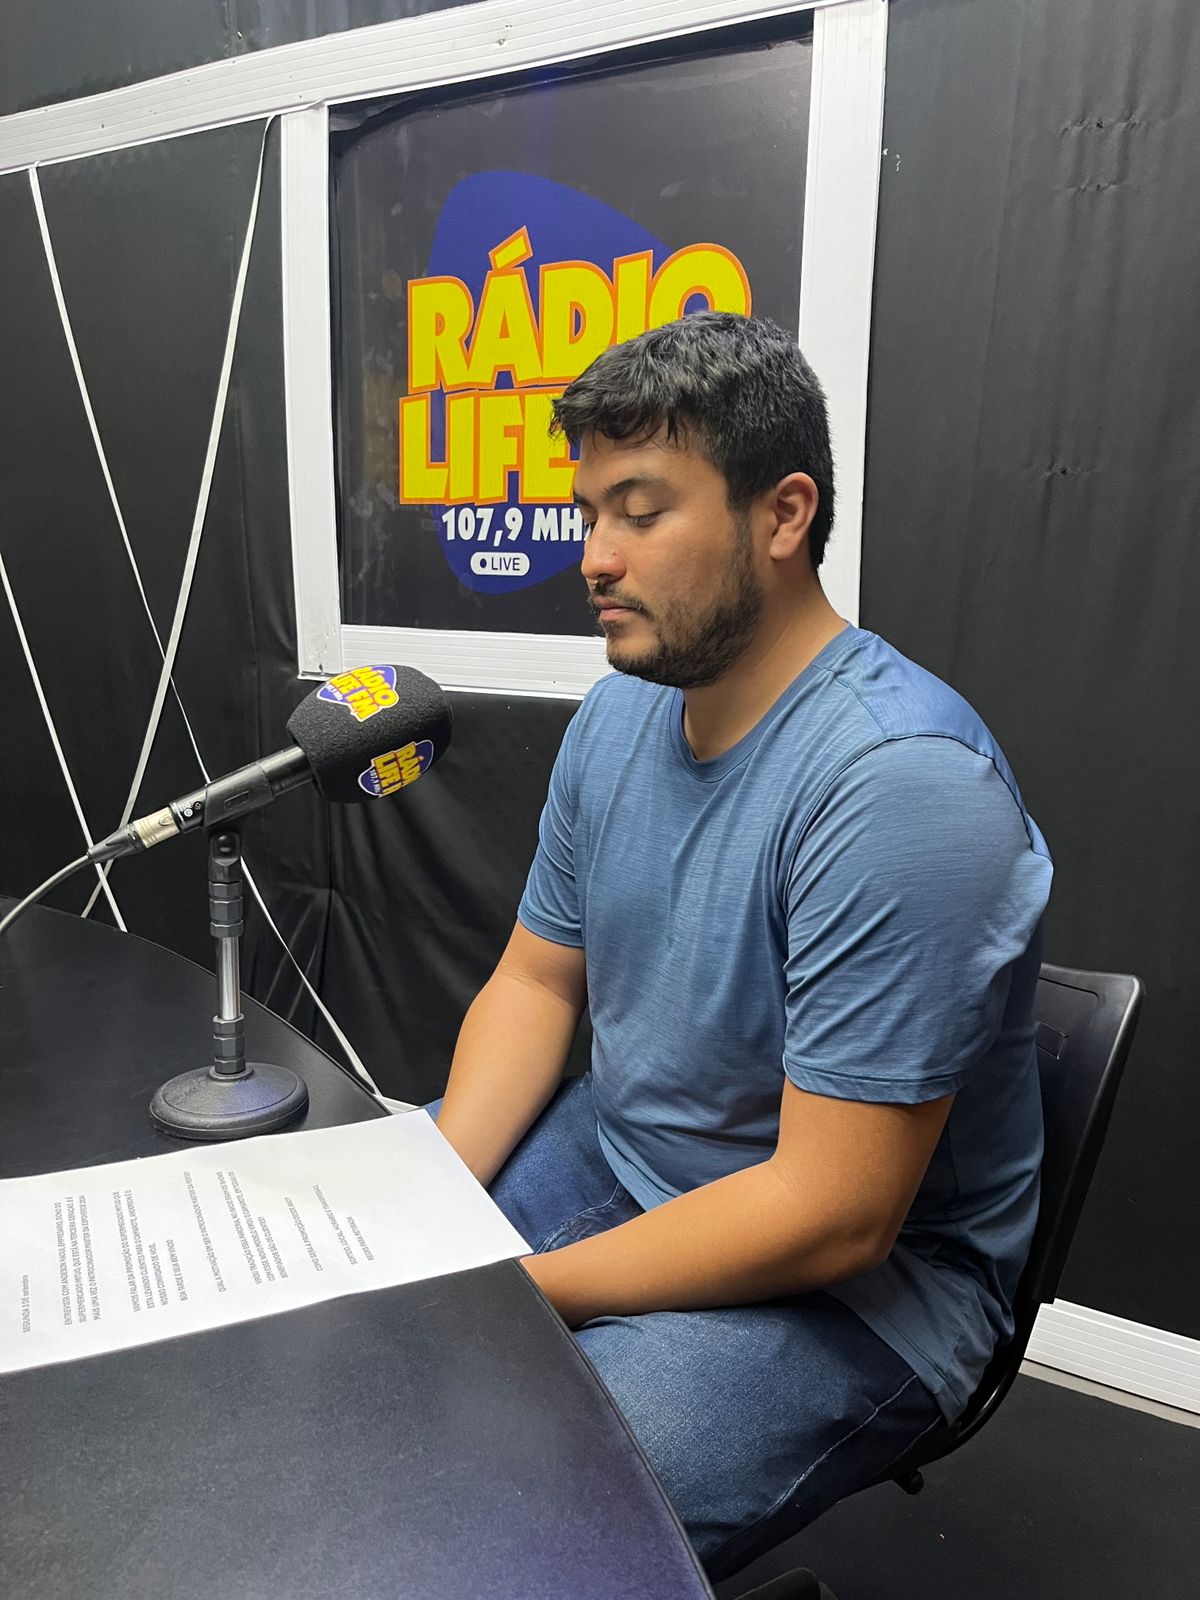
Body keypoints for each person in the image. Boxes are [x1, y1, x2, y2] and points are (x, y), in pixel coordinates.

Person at [433, 311, 1052, 1577]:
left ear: (783, 515)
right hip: (630, 1150)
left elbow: (832, 1213)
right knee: (376, 1345)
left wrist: (520, 1291)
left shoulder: (898, 783)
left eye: (641, 511)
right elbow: (536, 979)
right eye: (588, 512)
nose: (594, 557)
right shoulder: (617, 718)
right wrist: (431, 1204)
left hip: (863, 1289)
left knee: (512, 1518)